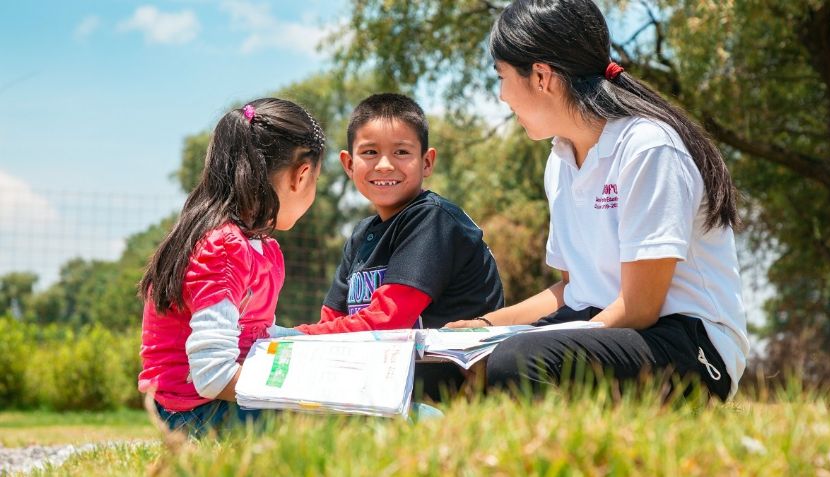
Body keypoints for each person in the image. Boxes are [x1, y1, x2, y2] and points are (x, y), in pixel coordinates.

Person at [446, 0, 749, 400]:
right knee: (454, 366)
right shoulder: (561, 159)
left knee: (516, 361)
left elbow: (640, 307)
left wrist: (514, 344)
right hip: (609, 326)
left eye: (501, 77)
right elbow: (573, 291)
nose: (501, 96)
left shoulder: (647, 147)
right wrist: (485, 325)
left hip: (689, 345)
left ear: (541, 76)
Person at [293, 93, 505, 398]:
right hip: (379, 389)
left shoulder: (433, 219)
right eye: (369, 152)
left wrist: (295, 337)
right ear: (348, 164)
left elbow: (388, 321)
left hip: (448, 391)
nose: (384, 165)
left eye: (401, 152)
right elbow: (332, 321)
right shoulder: (360, 235)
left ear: (427, 161)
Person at [137, 98, 325, 435]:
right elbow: (212, 374)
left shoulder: (261, 248)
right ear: (302, 175)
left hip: (214, 402)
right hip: (196, 413)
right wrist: (298, 396)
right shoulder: (223, 248)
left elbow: (253, 335)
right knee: (337, 422)